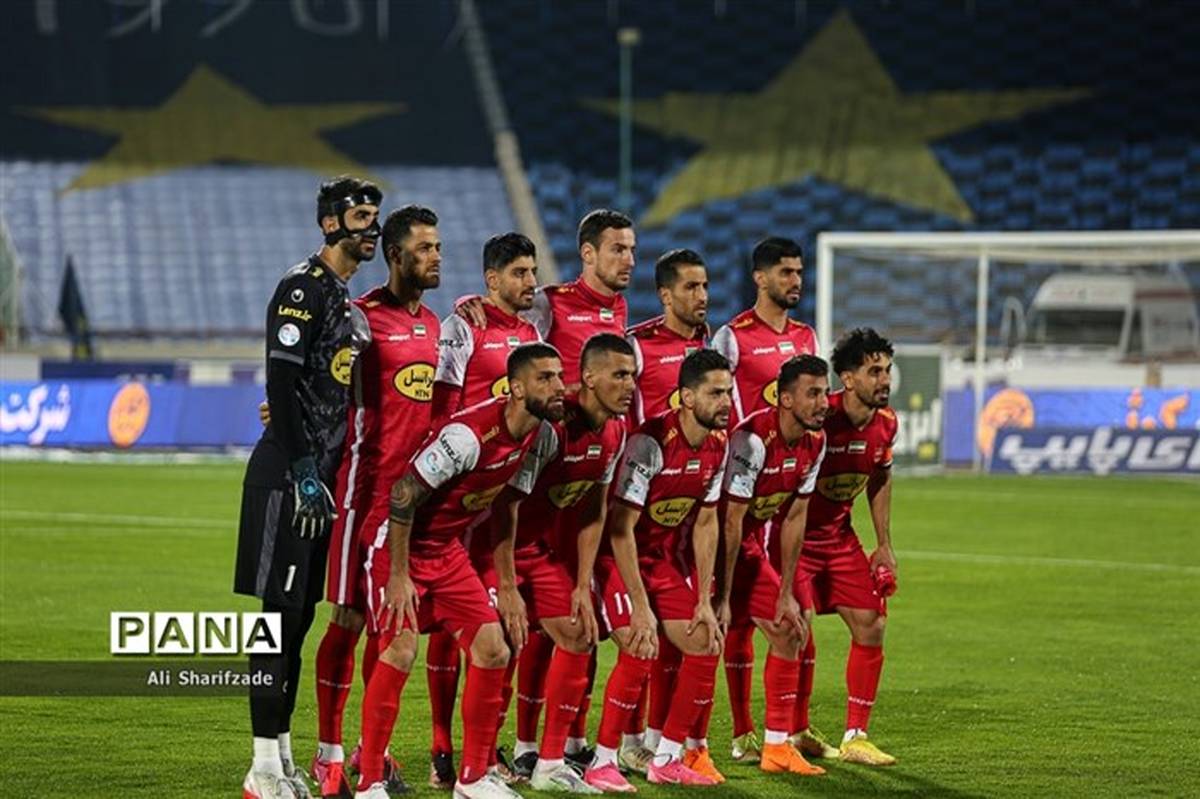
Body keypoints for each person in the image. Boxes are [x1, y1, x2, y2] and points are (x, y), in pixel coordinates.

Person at [456, 209, 636, 770]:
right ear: (588, 253)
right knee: (505, 631)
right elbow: (502, 305)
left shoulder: (620, 312)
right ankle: (483, 751)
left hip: (584, 475)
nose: (628, 260)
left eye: (632, 250)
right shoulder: (551, 304)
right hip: (531, 465)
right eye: (618, 249)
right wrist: (470, 302)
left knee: (572, 623)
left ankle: (562, 747)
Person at [353, 342, 566, 799]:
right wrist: (399, 576)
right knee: (401, 650)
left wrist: (506, 585)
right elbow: (403, 495)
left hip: (445, 550)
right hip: (396, 543)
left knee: (493, 650)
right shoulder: (467, 437)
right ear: (515, 388)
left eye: (559, 376)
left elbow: (507, 505)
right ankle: (370, 781)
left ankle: (471, 780)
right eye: (545, 378)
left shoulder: (543, 438)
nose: (558, 387)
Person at [234, 175, 381, 799]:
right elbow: (280, 379)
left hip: (321, 483)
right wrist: (301, 471)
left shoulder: (346, 301)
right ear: (329, 223)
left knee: (297, 622)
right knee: (277, 621)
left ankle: (283, 758)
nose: (372, 228)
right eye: (361, 216)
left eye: (375, 216)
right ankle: (261, 766)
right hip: (289, 479)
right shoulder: (303, 288)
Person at [306, 205, 442, 798]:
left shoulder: (436, 325)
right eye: (424, 248)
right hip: (361, 497)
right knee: (349, 620)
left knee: (393, 630)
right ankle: (328, 753)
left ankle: (371, 751)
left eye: (438, 247)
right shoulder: (360, 319)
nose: (435, 257)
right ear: (394, 255)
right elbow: (316, 376)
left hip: (410, 508)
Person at [482, 333, 635, 792]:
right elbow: (504, 506)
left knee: (578, 632)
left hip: (540, 553)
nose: (630, 385)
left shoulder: (616, 432)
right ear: (588, 378)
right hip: (496, 548)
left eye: (632, 375)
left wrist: (581, 586)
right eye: (619, 375)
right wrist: (506, 585)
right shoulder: (551, 428)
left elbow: (594, 512)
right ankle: (480, 762)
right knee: (498, 647)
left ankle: (549, 765)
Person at [582, 349, 731, 792]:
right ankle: (602, 761)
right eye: (715, 393)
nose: (726, 402)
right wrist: (640, 605)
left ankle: (665, 757)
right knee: (640, 643)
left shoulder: (719, 445)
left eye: (728, 392)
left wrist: (703, 600)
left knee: (705, 642)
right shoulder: (650, 443)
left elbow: (706, 523)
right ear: (687, 397)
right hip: (615, 558)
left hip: (659, 561)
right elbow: (620, 530)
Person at [426, 232, 543, 787]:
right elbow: (441, 409)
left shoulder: (532, 335)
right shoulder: (463, 325)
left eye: (533, 271)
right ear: (492, 279)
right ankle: (440, 746)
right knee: (444, 630)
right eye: (519, 272)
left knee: (498, 630)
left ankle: (483, 749)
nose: (530, 281)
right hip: (455, 499)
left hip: (497, 501)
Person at [709, 235, 819, 763]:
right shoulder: (732, 337)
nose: (795, 281)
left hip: (781, 496)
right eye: (785, 272)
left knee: (797, 616)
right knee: (745, 622)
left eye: (799, 272)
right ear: (760, 278)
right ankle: (744, 734)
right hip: (741, 491)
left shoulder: (806, 336)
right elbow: (719, 409)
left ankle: (794, 731)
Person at [771, 327, 899, 768]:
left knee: (872, 623)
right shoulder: (820, 419)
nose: (885, 380)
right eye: (874, 371)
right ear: (847, 379)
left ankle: (856, 736)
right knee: (798, 628)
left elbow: (880, 478)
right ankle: (793, 731)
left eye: (887, 370)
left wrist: (883, 545)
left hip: (840, 538)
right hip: (796, 540)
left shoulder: (887, 423)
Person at [617, 248, 708, 774]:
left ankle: (658, 741)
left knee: (679, 633)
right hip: (638, 501)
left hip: (686, 508)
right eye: (691, 287)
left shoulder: (709, 346)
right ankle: (620, 739)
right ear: (666, 295)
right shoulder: (640, 345)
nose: (702, 296)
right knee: (636, 633)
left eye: (705, 286)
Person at [717, 355, 829, 778]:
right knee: (696, 641)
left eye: (824, 392)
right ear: (785, 399)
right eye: (812, 393)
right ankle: (669, 746)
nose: (823, 403)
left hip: (745, 547)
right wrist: (722, 596)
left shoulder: (815, 442)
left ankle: (777, 747)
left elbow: (795, 518)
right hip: (702, 547)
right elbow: (728, 521)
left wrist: (785, 593)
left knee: (788, 629)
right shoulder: (751, 442)